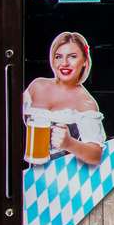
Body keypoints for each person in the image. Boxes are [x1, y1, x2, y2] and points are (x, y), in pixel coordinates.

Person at [23, 32, 106, 167]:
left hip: (61, 177)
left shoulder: (86, 103)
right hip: (26, 178)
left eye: (72, 57)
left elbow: (95, 155)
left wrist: (69, 143)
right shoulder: (37, 86)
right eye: (58, 57)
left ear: (84, 61)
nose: (64, 63)